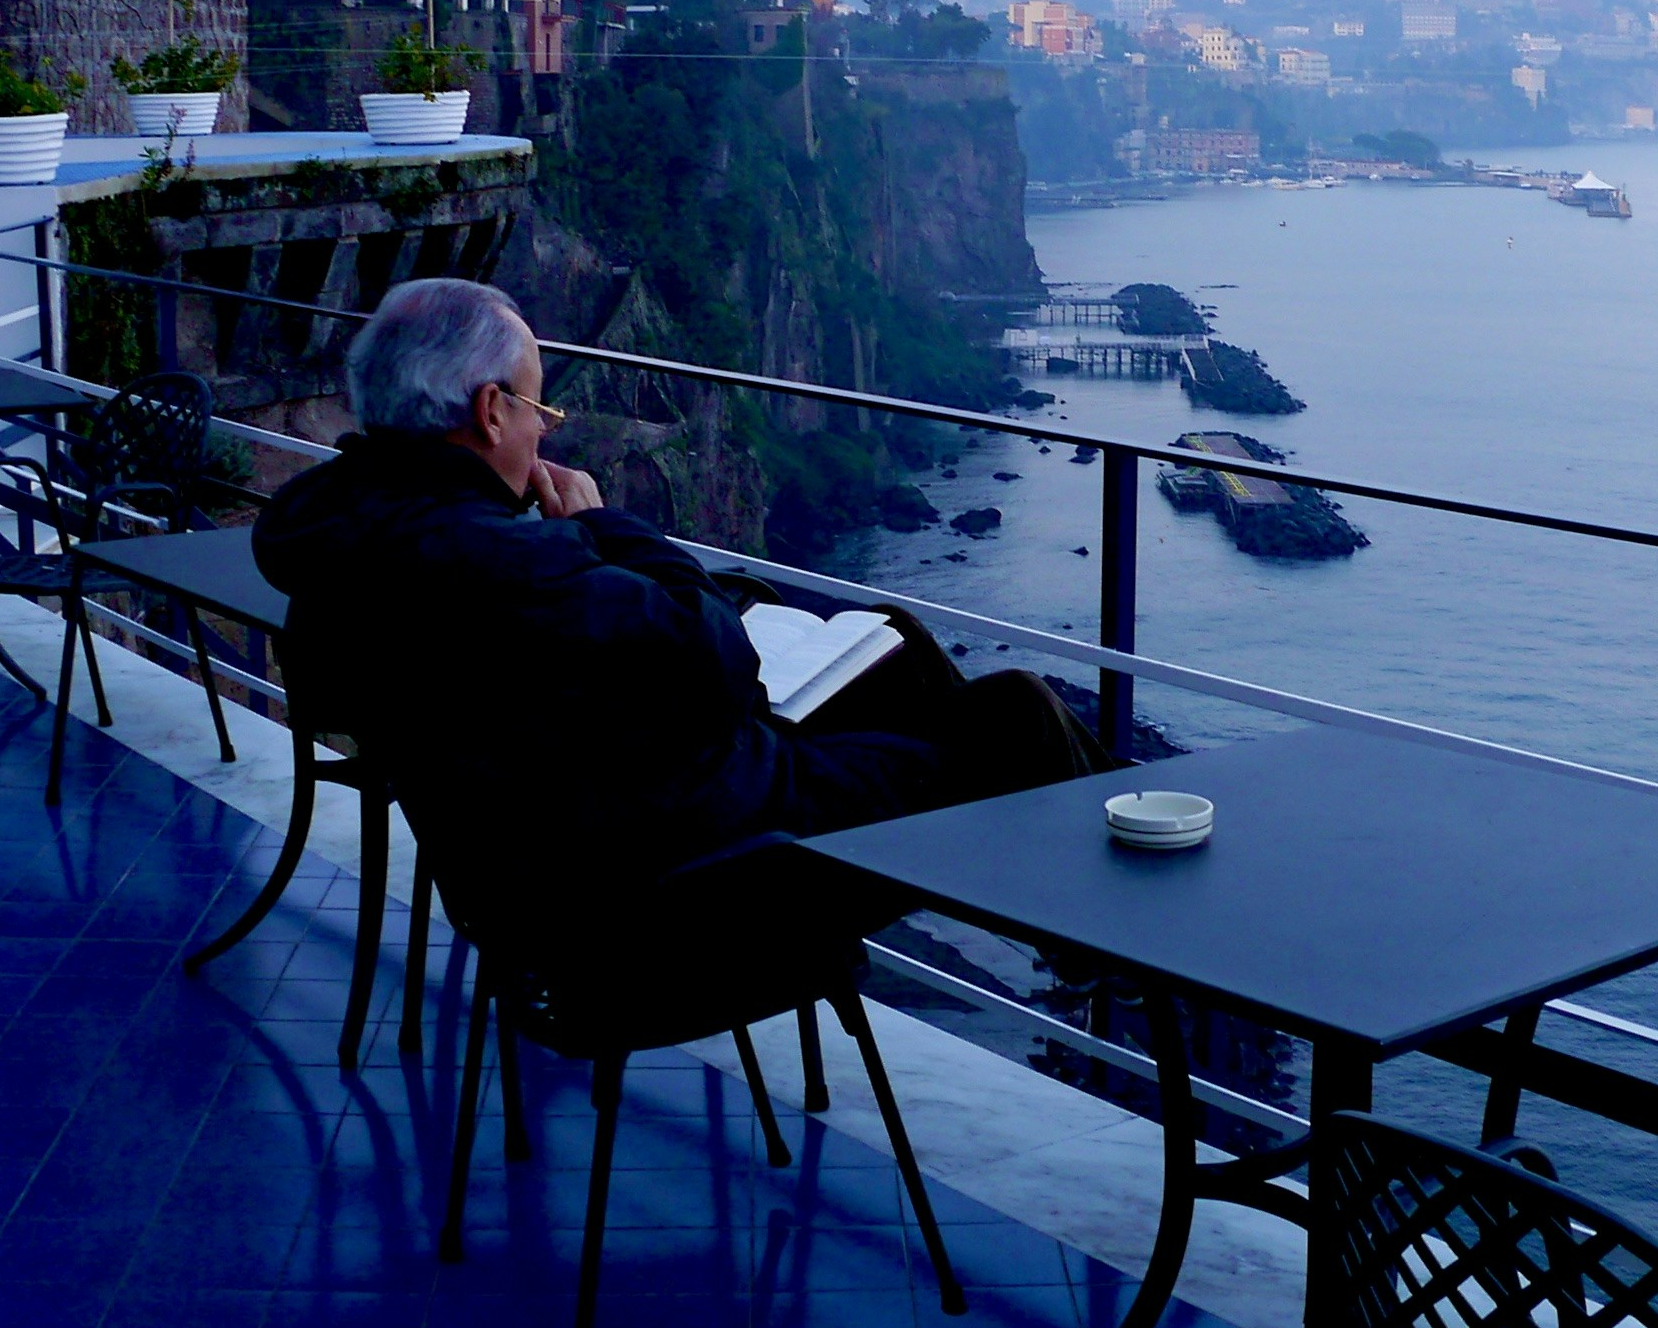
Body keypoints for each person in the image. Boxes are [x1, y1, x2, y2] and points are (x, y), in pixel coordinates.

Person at [254, 278, 1102, 891]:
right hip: (697, 865)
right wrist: (602, 524)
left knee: (892, 643)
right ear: (490, 410)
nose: (544, 434)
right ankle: (1123, 963)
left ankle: (1105, 946)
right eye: (540, 412)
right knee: (1019, 713)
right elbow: (722, 665)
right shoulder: (499, 561)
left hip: (548, 857)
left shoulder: (338, 528)